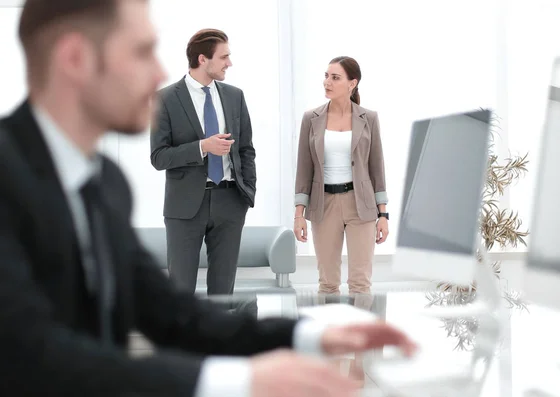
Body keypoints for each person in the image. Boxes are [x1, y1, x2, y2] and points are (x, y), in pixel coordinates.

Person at [0, 1, 418, 396]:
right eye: (142, 51)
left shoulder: (106, 185)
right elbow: (33, 353)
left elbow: (170, 312)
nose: (159, 71)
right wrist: (238, 379)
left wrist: (305, 334)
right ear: (75, 58)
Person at [150, 28, 254, 295]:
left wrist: (247, 194)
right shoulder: (165, 99)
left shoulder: (234, 96)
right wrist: (202, 147)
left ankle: (220, 339)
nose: (229, 63)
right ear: (202, 60)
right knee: (180, 291)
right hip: (184, 207)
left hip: (230, 202)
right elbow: (159, 157)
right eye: (224, 57)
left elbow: (246, 150)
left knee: (223, 293)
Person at [294, 56, 390, 295]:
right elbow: (304, 169)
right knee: (327, 283)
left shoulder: (369, 118)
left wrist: (383, 215)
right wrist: (298, 214)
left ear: (352, 83)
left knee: (360, 283)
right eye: (326, 76)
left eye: (335, 77)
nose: (327, 82)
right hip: (323, 203)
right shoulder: (311, 118)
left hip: (361, 205)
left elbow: (377, 168)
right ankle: (330, 332)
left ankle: (362, 332)